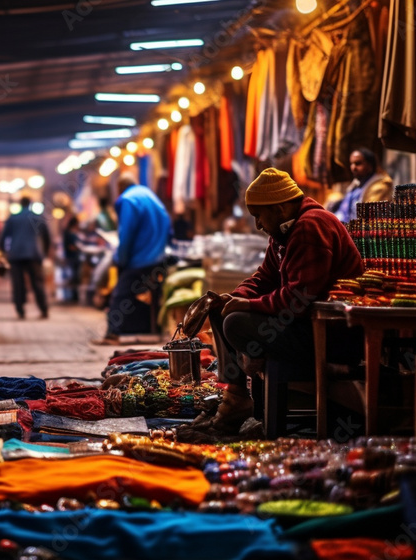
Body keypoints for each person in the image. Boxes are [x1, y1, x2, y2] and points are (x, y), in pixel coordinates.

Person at [202, 168, 364, 433]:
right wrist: (234, 297)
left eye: (259, 216)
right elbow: (264, 278)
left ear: (279, 209)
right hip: (304, 325)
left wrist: (249, 306)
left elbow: (298, 299)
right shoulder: (283, 232)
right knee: (221, 312)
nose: (258, 225)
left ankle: (241, 395)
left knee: (236, 323)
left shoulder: (311, 227)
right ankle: (236, 397)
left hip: (333, 336)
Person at [93, 174, 171, 343]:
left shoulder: (127, 200)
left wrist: (120, 259)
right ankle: (153, 330)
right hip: (158, 257)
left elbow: (126, 233)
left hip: (139, 258)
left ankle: (113, 333)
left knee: (121, 294)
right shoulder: (150, 196)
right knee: (152, 295)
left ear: (120, 188)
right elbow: (167, 223)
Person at [0, 196, 50, 319]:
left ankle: (20, 310)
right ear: (30, 204)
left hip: (15, 254)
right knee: (37, 283)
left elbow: (3, 237)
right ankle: (43, 309)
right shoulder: (37, 217)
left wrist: (4, 251)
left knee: (18, 284)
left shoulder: (13, 218)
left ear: (20, 204)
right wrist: (45, 253)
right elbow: (47, 237)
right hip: (33, 254)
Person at [329, 148, 393, 223]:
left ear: (370, 166)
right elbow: (343, 213)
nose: (353, 167)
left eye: (358, 163)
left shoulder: (380, 188)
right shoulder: (355, 186)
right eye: (351, 164)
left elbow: (370, 219)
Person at [62, 215, 83, 302]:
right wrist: (79, 248)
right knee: (72, 276)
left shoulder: (74, 232)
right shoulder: (68, 233)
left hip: (75, 257)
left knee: (76, 276)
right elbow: (69, 246)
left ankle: (75, 296)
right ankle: (71, 296)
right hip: (71, 257)